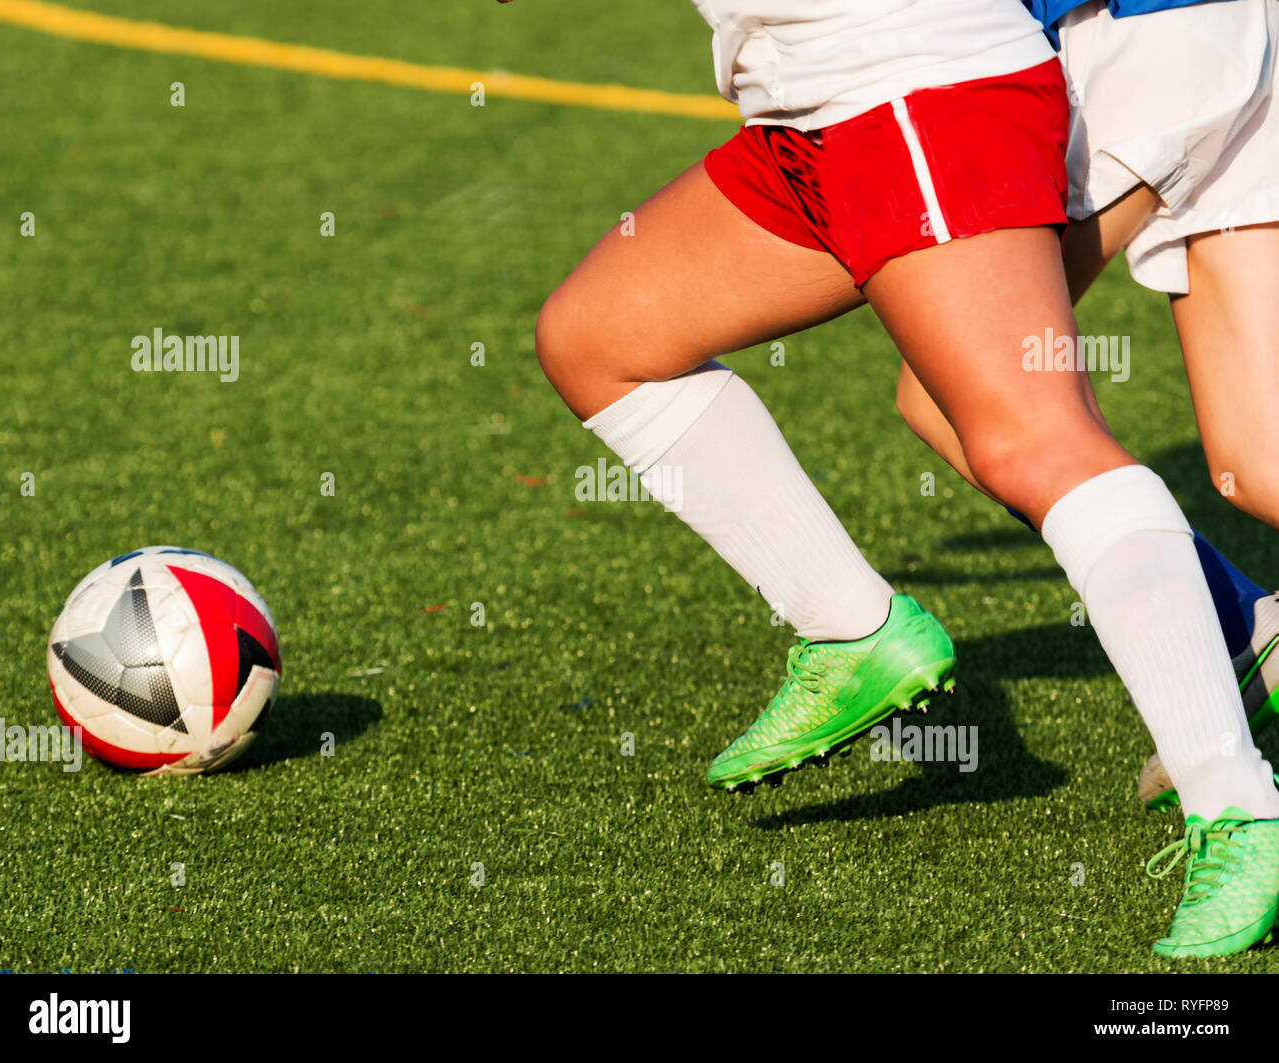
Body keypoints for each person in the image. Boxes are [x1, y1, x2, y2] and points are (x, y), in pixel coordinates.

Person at [519, 0, 1279, 957]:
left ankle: (1238, 803)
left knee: (1028, 433)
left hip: (918, 80)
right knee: (599, 338)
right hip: (814, 103)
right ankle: (854, 631)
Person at [893, 0, 1279, 812]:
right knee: (1259, 459)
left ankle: (1245, 628)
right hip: (1225, 30)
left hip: (1144, 44)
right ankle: (1251, 629)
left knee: (948, 388)